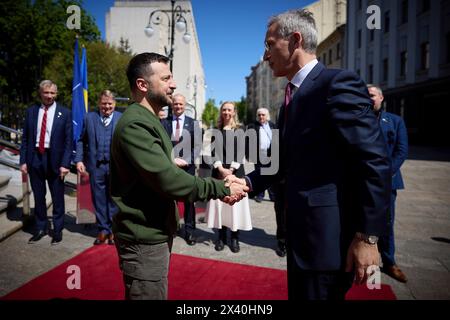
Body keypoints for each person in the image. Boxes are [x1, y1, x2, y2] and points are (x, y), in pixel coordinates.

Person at [229, 9, 391, 300]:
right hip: (302, 237)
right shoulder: (290, 97)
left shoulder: (337, 84)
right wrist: (247, 182)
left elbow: (374, 160)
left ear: (295, 40)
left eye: (269, 44)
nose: (265, 56)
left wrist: (368, 237)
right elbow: (281, 160)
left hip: (327, 241)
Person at [110, 52, 248, 300]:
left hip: (154, 232)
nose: (173, 84)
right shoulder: (136, 124)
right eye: (166, 78)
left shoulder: (147, 119)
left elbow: (156, 169)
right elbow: (168, 180)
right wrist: (222, 188)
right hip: (144, 237)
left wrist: (166, 161)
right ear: (142, 85)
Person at [20, 80, 72, 245]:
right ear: (40, 93)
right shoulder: (31, 112)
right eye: (46, 93)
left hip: (55, 160)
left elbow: (68, 141)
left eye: (52, 93)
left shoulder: (64, 113)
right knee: (39, 196)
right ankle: (41, 228)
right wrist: (23, 161)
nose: (49, 96)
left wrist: (65, 164)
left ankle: (57, 230)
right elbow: (25, 138)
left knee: (57, 197)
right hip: (35, 157)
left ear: (56, 94)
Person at [367, 84, 409, 283]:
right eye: (366, 96)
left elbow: (401, 151)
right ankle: (366, 263)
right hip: (361, 181)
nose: (370, 99)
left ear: (381, 98)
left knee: (386, 222)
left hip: (387, 182)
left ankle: (389, 262)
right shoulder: (357, 120)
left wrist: (385, 172)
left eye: (373, 95)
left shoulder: (394, 121)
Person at [74, 90, 122, 245]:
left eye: (109, 104)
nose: (106, 107)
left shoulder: (121, 118)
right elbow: (81, 140)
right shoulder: (90, 118)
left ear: (114, 104)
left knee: (114, 200)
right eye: (103, 103)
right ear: (99, 103)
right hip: (96, 166)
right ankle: (103, 230)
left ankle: (114, 230)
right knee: (99, 199)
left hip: (116, 166)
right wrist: (79, 160)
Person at [205, 101, 252, 253]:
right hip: (219, 173)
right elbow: (213, 153)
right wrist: (220, 168)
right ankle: (221, 237)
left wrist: (230, 170)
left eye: (229, 110)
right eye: (224, 110)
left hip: (236, 173)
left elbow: (241, 152)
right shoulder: (216, 130)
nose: (226, 112)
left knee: (235, 206)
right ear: (221, 112)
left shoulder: (240, 129)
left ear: (234, 112)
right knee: (221, 206)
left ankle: (235, 238)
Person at [161, 93, 199, 246]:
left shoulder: (193, 123)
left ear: (185, 106)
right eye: (175, 104)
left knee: (189, 200)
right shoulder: (164, 122)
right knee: (171, 200)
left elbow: (197, 146)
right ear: (172, 105)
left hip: (187, 168)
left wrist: (186, 160)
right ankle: (173, 228)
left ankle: (189, 231)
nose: (178, 106)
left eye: (180, 104)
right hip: (170, 167)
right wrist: (171, 161)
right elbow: (161, 145)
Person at [247, 107, 276, 203]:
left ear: (267, 116)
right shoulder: (252, 126)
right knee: (259, 174)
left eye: (263, 114)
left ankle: (272, 195)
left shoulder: (272, 125)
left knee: (271, 175)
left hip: (271, 154)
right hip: (258, 154)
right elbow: (247, 141)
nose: (261, 116)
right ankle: (260, 195)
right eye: (259, 115)